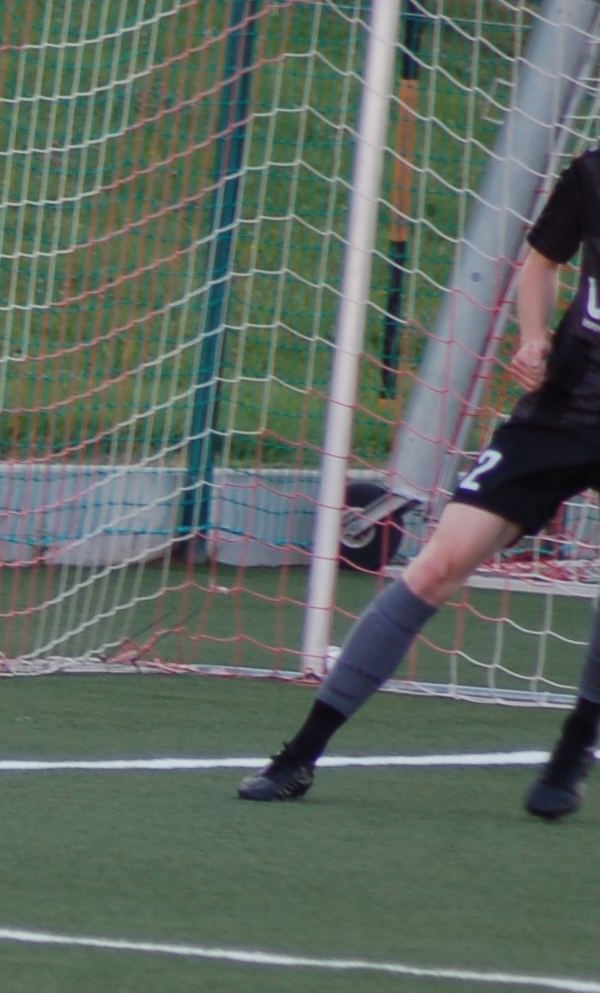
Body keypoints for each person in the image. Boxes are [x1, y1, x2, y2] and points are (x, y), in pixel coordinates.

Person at [239, 144, 600, 820]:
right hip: (561, 411)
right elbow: (543, 261)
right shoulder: (592, 172)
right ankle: (300, 755)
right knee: (436, 565)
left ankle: (576, 744)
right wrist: (533, 337)